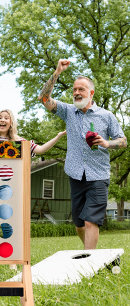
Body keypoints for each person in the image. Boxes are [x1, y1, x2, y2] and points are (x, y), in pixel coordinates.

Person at [38, 59, 127, 249]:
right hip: (76, 174)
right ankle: (92, 253)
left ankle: (89, 261)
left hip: (98, 175)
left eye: (81, 90)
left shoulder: (106, 116)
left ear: (91, 93)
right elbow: (44, 99)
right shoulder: (69, 111)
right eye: (74, 90)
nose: (76, 93)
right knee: (79, 225)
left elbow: (123, 141)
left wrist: (106, 143)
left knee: (90, 221)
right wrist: (57, 72)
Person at [0, 109, 66, 240]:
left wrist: (58, 136)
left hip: (5, 184)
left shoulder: (19, 141)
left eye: (6, 118)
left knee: (6, 219)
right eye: (0, 117)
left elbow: (40, 150)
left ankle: (12, 259)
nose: (2, 120)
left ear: (11, 122)